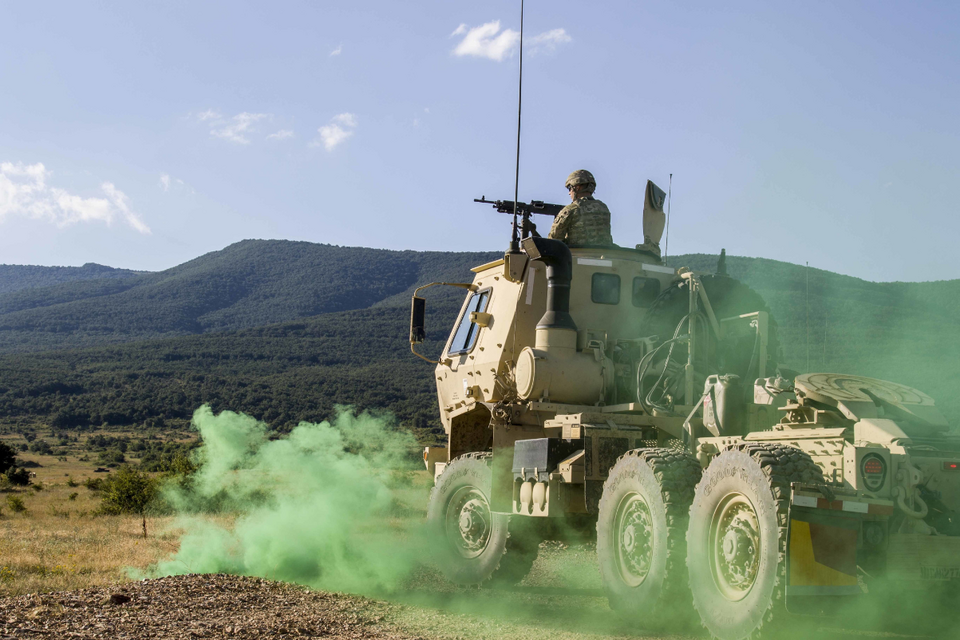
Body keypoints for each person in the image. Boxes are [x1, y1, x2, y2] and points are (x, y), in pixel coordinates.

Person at [548, 170, 613, 247]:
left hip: (577, 253)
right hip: (603, 253)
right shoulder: (603, 208)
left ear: (577, 187)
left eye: (569, 188)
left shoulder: (570, 210)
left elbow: (553, 240)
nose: (569, 193)